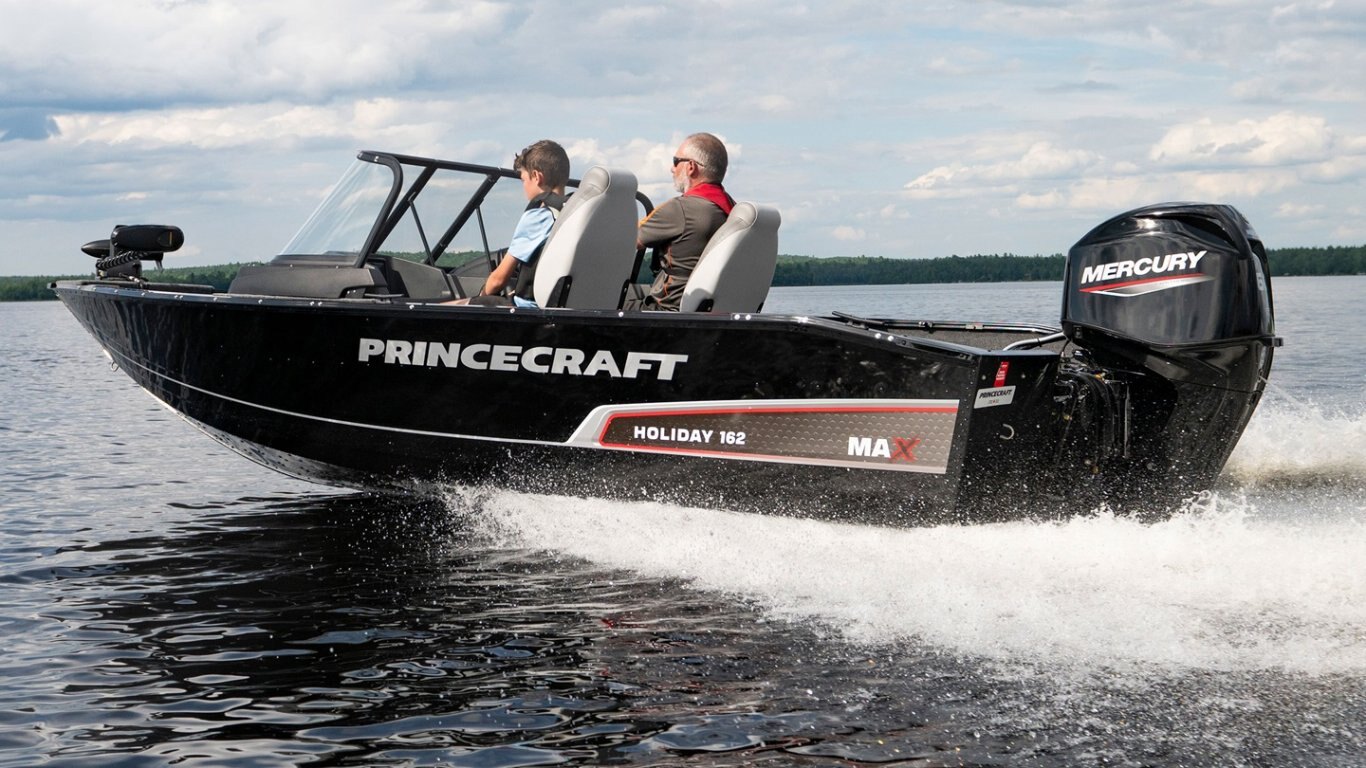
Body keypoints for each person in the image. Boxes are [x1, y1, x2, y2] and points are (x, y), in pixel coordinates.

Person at [458, 140, 570, 308]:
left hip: (528, 309)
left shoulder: (539, 216)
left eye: (523, 180)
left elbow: (497, 281)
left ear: (537, 177)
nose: (523, 186)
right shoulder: (573, 212)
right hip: (557, 305)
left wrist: (480, 297)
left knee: (448, 306)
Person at [636, 132, 736, 310]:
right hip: (706, 308)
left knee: (601, 295)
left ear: (691, 167)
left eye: (676, 161)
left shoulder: (680, 210)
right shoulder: (732, 210)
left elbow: (624, 240)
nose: (672, 169)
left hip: (665, 311)